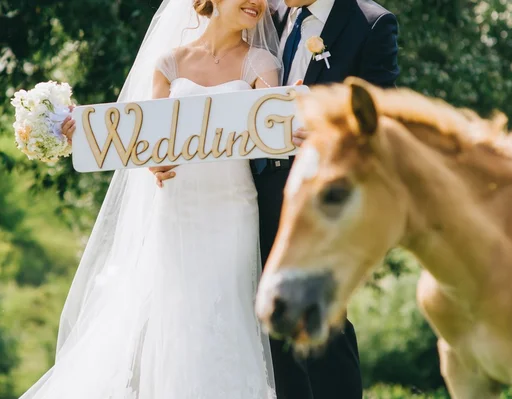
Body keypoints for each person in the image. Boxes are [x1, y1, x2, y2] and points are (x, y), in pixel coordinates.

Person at [25, 0, 283, 398]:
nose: (257, 2)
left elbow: (273, 122)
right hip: (177, 210)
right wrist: (86, 131)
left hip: (232, 210)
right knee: (177, 317)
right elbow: (142, 139)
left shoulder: (261, 63)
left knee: (224, 312)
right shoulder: (170, 63)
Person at [152, 1, 399, 398]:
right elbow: (152, 130)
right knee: (272, 335)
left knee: (321, 325)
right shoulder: (273, 18)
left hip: (317, 206)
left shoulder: (370, 24)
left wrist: (327, 134)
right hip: (256, 200)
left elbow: (380, 120)